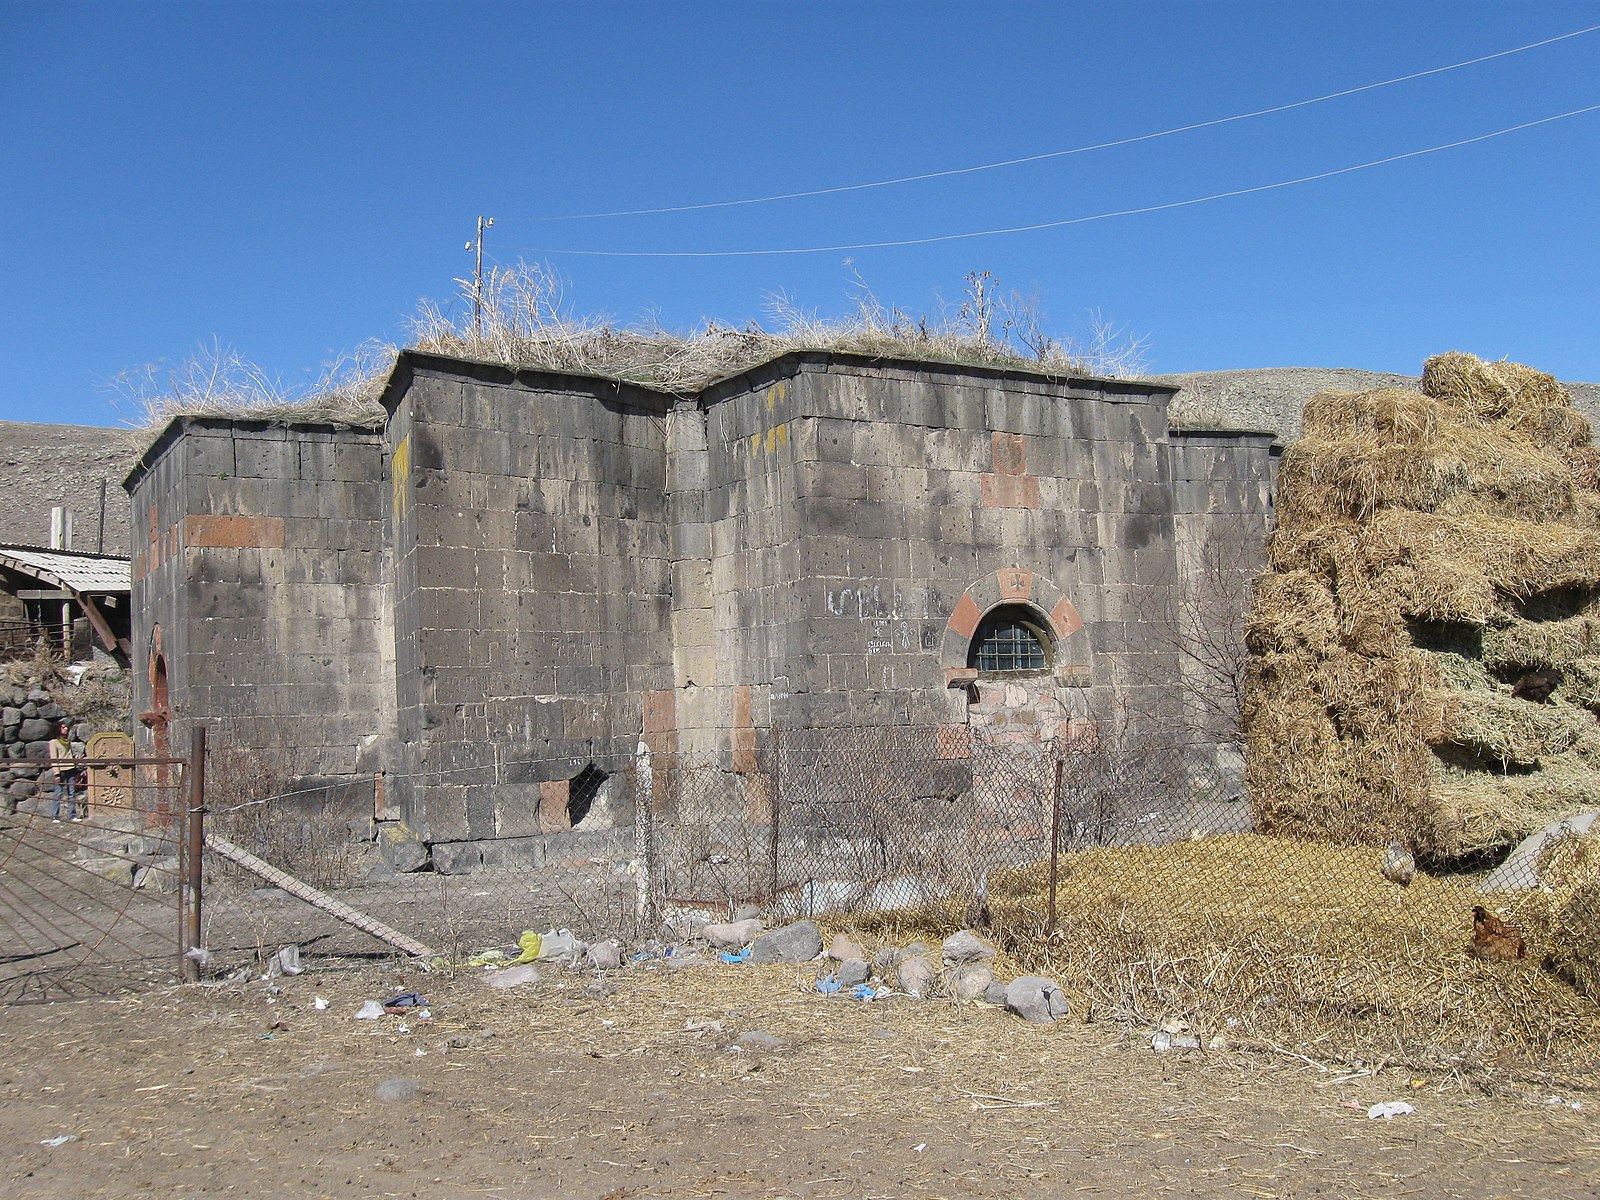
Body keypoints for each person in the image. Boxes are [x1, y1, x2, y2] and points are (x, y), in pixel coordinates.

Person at [49, 720, 85, 823]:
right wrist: (57, 773)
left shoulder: (67, 741)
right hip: (61, 770)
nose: (66, 729)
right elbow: (54, 758)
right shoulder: (54, 742)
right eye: (63, 727)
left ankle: (72, 815)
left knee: (71, 793)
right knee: (58, 793)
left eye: (66, 727)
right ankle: (55, 816)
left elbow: (69, 754)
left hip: (70, 769)